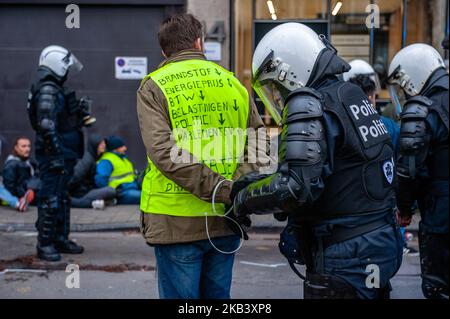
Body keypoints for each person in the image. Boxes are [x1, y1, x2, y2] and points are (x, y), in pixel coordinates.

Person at [232, 23, 403, 299]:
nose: (277, 97)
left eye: (276, 87)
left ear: (288, 71)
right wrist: (247, 184)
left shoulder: (309, 103)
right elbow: (328, 172)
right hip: (377, 241)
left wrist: (243, 201)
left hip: (344, 255)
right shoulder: (350, 97)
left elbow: (294, 188)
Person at [136, 13, 267, 299]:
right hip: (225, 219)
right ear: (199, 43)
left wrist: (223, 190)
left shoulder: (154, 86)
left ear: (164, 51)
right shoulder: (234, 84)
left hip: (174, 221)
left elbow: (163, 151)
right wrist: (234, 189)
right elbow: (257, 142)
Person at [387, 43, 449, 299]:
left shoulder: (423, 108)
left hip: (441, 216)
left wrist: (404, 207)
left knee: (439, 287)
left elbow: (409, 169)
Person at [27, 45, 94, 261]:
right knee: (50, 199)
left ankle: (60, 239)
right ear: (57, 65)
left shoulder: (54, 90)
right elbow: (46, 125)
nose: (67, 72)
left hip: (63, 155)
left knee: (62, 198)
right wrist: (55, 155)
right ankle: (45, 243)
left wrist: (76, 112)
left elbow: (60, 122)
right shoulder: (48, 89)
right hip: (54, 157)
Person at [69, 134, 116, 209]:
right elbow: (76, 177)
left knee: (110, 193)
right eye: (101, 143)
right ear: (95, 145)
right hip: (82, 193)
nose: (103, 145)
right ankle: (75, 202)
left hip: (87, 191)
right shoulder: (87, 159)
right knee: (111, 191)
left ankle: (92, 202)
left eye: (104, 143)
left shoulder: (93, 157)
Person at [95, 136, 140, 205]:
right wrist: (109, 196)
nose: (125, 148)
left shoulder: (123, 158)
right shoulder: (106, 161)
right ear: (114, 149)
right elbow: (101, 180)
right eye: (121, 146)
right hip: (121, 193)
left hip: (132, 188)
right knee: (146, 197)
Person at [2, 137, 39, 203]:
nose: (27, 149)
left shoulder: (30, 162)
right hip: (23, 199)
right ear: (16, 148)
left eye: (28, 146)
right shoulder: (11, 165)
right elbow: (9, 189)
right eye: (23, 146)